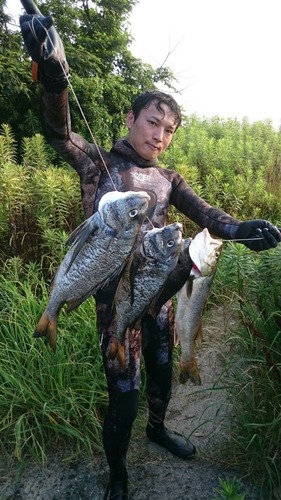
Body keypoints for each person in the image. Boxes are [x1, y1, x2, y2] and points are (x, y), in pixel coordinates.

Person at [19, 2, 281, 499]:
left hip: (159, 297)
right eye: (153, 122)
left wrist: (244, 228)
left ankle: (158, 429)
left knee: (163, 372)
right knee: (123, 395)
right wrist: (53, 75)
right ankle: (118, 475)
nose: (159, 136)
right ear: (131, 118)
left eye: (169, 130)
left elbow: (208, 217)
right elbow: (57, 133)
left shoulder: (168, 179)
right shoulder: (96, 163)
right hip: (113, 302)